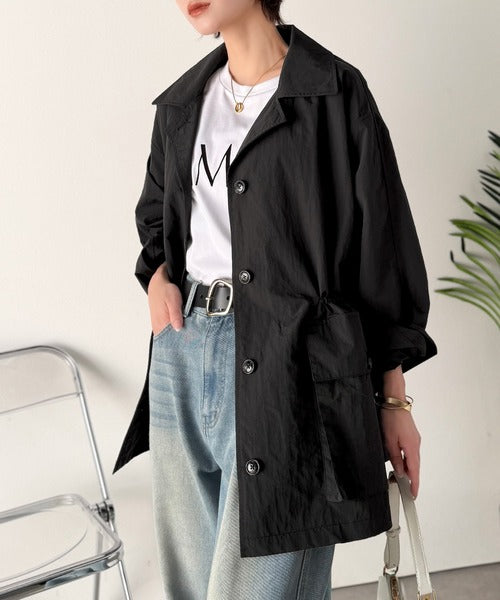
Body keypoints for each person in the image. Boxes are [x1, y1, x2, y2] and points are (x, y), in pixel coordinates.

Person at [115, 1, 438, 598]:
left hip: (290, 367)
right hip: (180, 353)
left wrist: (394, 399)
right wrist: (158, 278)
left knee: (258, 587)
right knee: (188, 585)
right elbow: (156, 218)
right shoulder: (183, 105)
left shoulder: (335, 94)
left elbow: (383, 252)